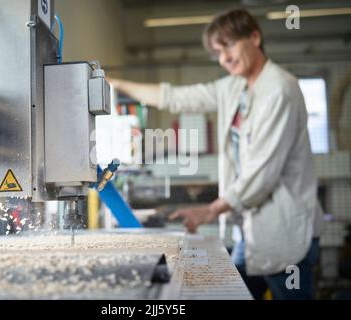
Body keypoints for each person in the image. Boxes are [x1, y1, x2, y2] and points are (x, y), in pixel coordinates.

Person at [109, 9, 325, 300]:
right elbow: (176, 97)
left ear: (255, 37)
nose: (225, 58)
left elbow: (261, 174)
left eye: (230, 46)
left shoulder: (279, 90)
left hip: (285, 234)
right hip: (251, 234)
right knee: (228, 293)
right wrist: (117, 84)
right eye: (218, 53)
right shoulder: (235, 87)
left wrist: (210, 210)